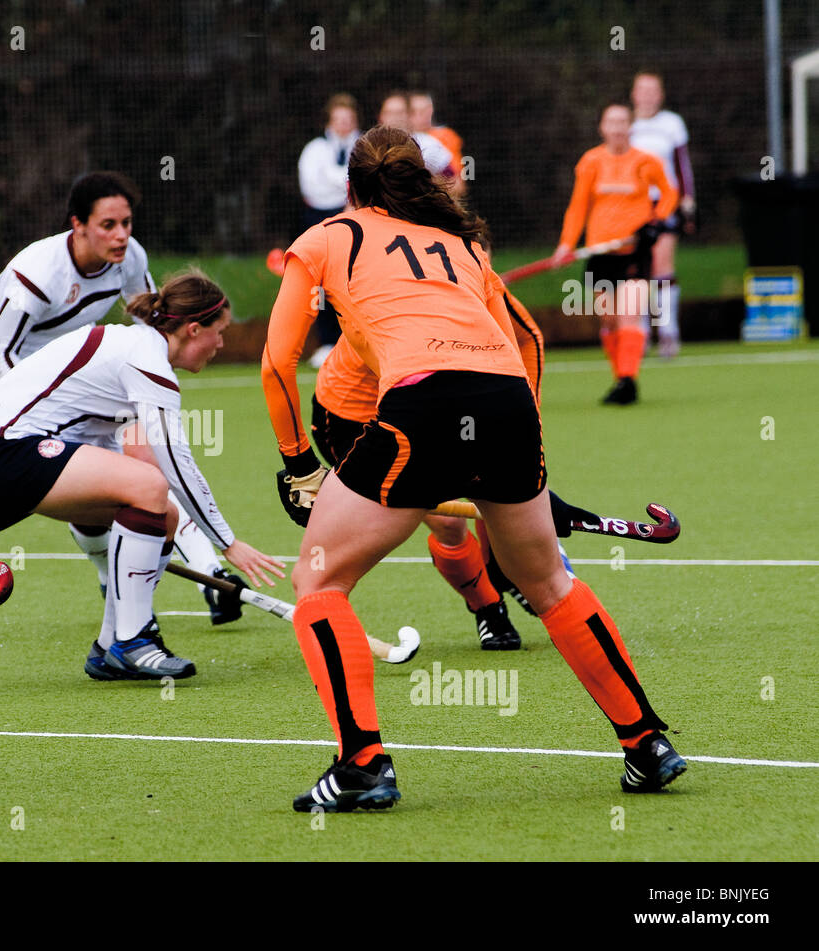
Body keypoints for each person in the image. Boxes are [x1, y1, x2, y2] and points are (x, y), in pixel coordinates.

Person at [261, 125, 686, 813]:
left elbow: (278, 363)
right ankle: (646, 744)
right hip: (508, 402)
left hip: (421, 402)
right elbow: (524, 341)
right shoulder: (460, 245)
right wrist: (528, 461)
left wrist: (297, 464)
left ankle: (363, 766)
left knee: (318, 578)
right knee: (547, 581)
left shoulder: (328, 236)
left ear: (351, 187)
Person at [0, 271, 284, 680]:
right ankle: (133, 642)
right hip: (5, 451)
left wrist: (197, 550)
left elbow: (142, 457)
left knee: (161, 514)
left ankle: (110, 644)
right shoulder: (146, 359)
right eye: (218, 332)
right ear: (193, 328)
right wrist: (228, 543)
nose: (220, 343)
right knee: (151, 487)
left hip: (3, 449)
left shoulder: (137, 349)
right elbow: (175, 463)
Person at [0, 172, 246, 624]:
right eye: (108, 225)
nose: (121, 235)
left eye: (127, 223)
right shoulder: (37, 275)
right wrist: (35, 416)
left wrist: (145, 393)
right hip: (21, 392)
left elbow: (152, 330)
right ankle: (112, 580)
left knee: (149, 463)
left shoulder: (130, 257)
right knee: (111, 490)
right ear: (77, 225)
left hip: (96, 378)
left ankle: (208, 572)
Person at [302, 286, 551, 651]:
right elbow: (415, 375)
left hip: (430, 404)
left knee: (493, 485)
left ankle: (501, 566)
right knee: (449, 521)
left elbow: (528, 340)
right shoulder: (394, 292)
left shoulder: (476, 275)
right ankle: (488, 607)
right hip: (353, 417)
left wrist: (525, 442)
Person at [553, 102, 677, 405]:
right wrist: (567, 244)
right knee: (608, 320)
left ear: (630, 126)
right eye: (612, 122)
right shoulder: (591, 162)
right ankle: (620, 376)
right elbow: (578, 206)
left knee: (628, 316)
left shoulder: (647, 162)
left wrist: (656, 221)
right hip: (600, 253)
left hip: (634, 253)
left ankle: (627, 381)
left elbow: (670, 193)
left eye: (623, 122)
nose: (618, 128)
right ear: (602, 127)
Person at [630, 71, 696, 359]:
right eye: (642, 90)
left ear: (661, 95)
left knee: (662, 265)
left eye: (652, 90)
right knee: (638, 270)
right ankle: (640, 334)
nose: (647, 96)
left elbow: (682, 165)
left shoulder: (672, 124)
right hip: (632, 206)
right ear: (634, 94)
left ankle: (668, 333)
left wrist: (688, 199)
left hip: (665, 202)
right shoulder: (625, 124)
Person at [297, 93, 361, 367]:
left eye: (348, 119)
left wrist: (339, 184)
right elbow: (313, 186)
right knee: (321, 284)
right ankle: (327, 342)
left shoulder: (364, 145)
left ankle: (357, 342)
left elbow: (361, 179)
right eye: (338, 119)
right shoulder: (314, 149)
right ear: (330, 121)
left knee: (355, 280)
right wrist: (344, 181)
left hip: (356, 217)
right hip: (319, 218)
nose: (344, 124)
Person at [379, 92, 463, 195]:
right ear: (380, 117)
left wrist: (425, 187)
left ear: (410, 115)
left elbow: (458, 185)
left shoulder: (428, 144)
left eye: (399, 112)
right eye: (389, 113)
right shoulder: (370, 146)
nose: (394, 118)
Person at [408, 91, 464, 170]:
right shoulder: (401, 138)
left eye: (425, 110)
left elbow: (457, 174)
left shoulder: (445, 135)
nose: (420, 116)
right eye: (414, 111)